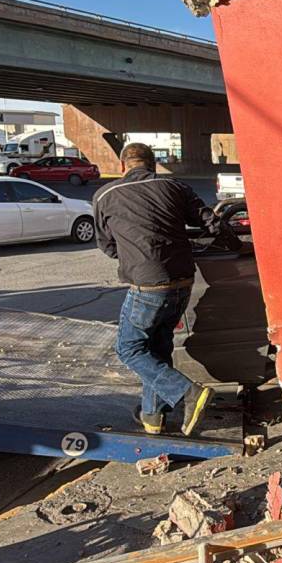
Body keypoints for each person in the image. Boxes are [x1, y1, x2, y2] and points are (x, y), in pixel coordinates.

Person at [93, 143, 214, 436]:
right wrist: (239, 246)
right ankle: (152, 417)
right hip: (183, 283)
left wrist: (135, 255)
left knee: (130, 348)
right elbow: (211, 223)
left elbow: (107, 245)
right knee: (158, 349)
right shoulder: (175, 187)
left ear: (122, 166)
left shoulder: (105, 195)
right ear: (153, 165)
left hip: (147, 286)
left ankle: (187, 392)